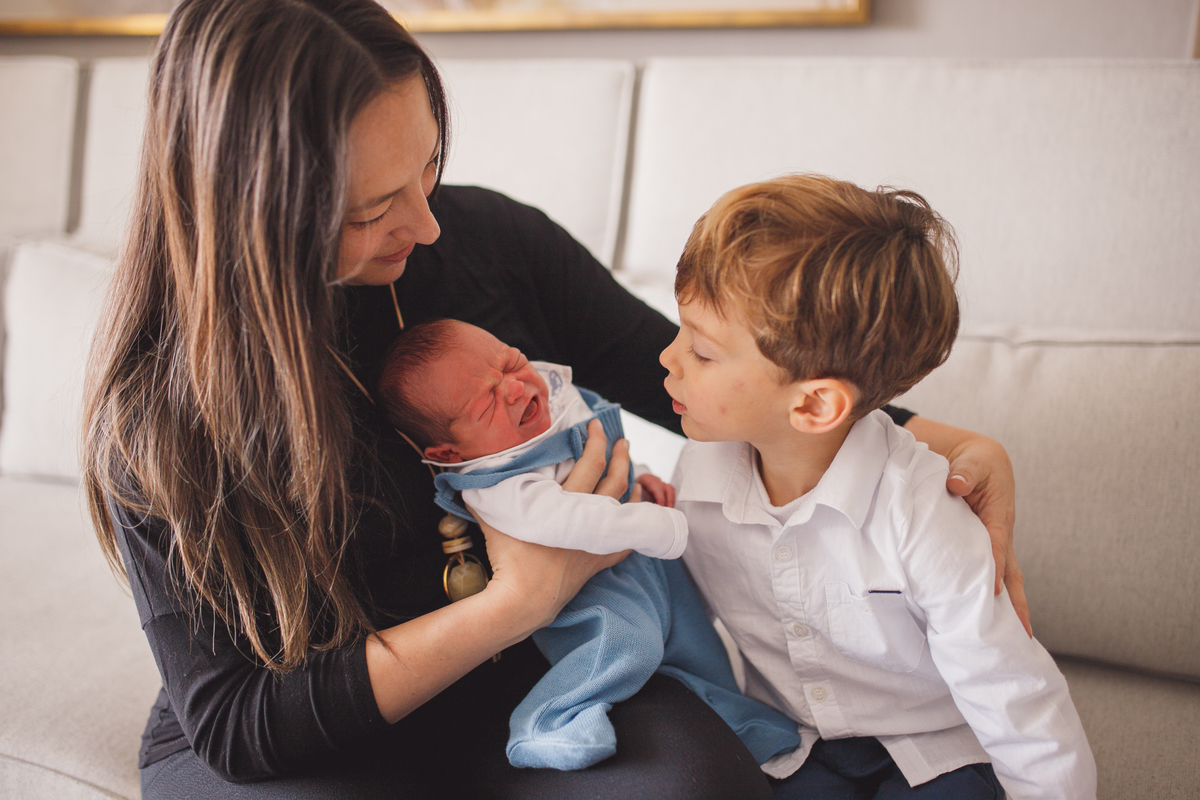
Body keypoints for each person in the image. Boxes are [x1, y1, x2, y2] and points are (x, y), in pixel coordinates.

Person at [78, 0, 1028, 796]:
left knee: (713, 784)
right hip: (312, 738)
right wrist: (520, 598)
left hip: (540, 680)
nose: (426, 223)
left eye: (427, 168)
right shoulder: (156, 407)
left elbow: (693, 374)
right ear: (252, 213)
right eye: (371, 210)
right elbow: (239, 725)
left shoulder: (488, 244)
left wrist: (933, 440)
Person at [661, 175, 1096, 799]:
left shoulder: (923, 514)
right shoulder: (697, 476)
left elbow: (1015, 696)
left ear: (814, 405)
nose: (668, 358)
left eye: (701, 352)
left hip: (935, 752)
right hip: (794, 748)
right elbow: (678, 623)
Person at [375, 318, 802, 770]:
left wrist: (641, 476)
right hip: (590, 595)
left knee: (699, 640)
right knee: (630, 648)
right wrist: (650, 525)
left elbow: (608, 450)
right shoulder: (495, 482)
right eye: (486, 405)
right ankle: (551, 722)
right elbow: (565, 519)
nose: (515, 389)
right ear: (449, 453)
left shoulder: (553, 400)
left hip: (643, 561)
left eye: (511, 363)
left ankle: (739, 723)